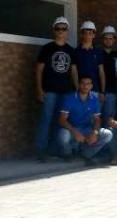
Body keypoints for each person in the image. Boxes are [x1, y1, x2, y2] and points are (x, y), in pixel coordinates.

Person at [34, 17, 78, 161]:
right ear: (54, 30)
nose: (61, 31)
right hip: (49, 91)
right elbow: (39, 70)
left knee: (61, 122)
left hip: (66, 92)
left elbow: (73, 71)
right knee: (45, 120)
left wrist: (77, 89)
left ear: (67, 31)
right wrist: (39, 89)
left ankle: (57, 150)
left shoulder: (71, 51)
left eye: (63, 28)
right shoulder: (47, 49)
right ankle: (41, 151)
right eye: (58, 28)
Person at [57, 77, 113, 165]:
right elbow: (62, 120)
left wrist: (95, 133)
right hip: (72, 130)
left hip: (87, 129)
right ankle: (68, 155)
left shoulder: (94, 99)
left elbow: (97, 119)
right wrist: (75, 132)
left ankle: (86, 155)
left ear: (91, 86)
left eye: (88, 84)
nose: (85, 86)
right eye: (83, 83)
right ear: (79, 85)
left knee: (108, 134)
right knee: (63, 135)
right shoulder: (70, 98)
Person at [75, 21, 105, 105]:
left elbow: (101, 72)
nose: (88, 35)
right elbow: (74, 72)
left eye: (90, 33)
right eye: (85, 33)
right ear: (82, 34)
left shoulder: (98, 52)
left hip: (95, 90)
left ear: (94, 35)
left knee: (94, 116)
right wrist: (77, 88)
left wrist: (102, 91)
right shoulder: (76, 51)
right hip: (80, 90)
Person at [101, 25, 117, 127]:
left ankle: (106, 142)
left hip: (112, 92)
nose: (108, 41)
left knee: (108, 120)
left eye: (111, 38)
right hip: (97, 92)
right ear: (103, 39)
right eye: (106, 38)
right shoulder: (98, 53)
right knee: (94, 119)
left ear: (114, 40)